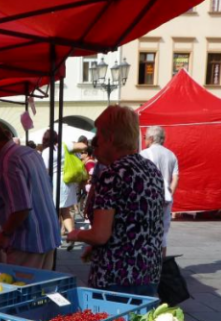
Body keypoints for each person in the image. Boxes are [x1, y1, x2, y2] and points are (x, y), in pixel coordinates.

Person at [66, 106, 164, 297]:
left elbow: (100, 235)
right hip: (148, 272)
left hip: (116, 277)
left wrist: (76, 234)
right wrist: (95, 245)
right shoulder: (150, 169)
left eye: (98, 137)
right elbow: (133, 222)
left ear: (110, 138)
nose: (95, 143)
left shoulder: (111, 175)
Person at [0, 120, 61, 269]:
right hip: (47, 234)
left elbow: (21, 207)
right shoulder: (29, 152)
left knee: (25, 288)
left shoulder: (9, 161)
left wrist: (4, 234)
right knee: (42, 288)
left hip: (28, 241)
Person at [41, 130, 88, 249]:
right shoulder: (65, 145)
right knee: (66, 211)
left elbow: (45, 169)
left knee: (54, 212)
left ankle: (55, 238)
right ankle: (72, 236)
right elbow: (83, 145)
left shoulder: (47, 151)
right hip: (68, 181)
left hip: (55, 182)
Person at [140, 126, 179, 256]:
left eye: (145, 137)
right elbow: (176, 177)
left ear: (151, 138)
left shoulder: (144, 154)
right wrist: (170, 193)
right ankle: (161, 265)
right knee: (163, 234)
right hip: (166, 198)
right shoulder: (171, 154)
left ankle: (148, 263)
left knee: (146, 231)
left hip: (148, 198)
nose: (144, 140)